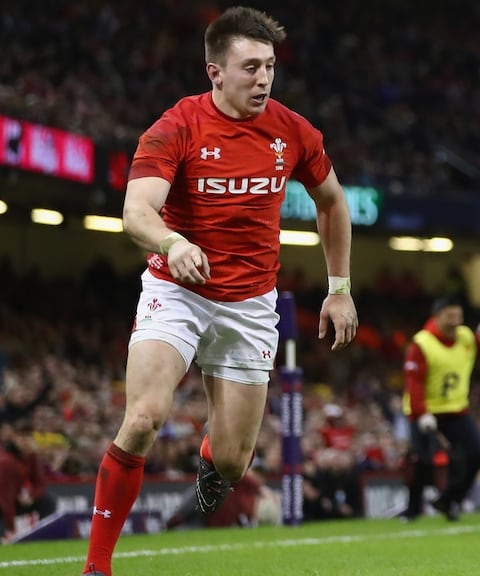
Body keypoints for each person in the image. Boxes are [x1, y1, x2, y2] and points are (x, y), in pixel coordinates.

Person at [83, 7, 358, 575]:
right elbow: (136, 211)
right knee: (143, 418)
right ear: (215, 72)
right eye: (250, 67)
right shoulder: (176, 127)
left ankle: (213, 456)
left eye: (270, 67)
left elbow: (332, 201)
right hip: (177, 289)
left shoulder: (292, 130)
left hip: (251, 303)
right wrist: (172, 242)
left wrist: (340, 288)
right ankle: (96, 566)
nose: (264, 79)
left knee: (233, 463)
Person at [399, 296, 480, 521]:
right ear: (437, 317)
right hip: (426, 411)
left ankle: (449, 500)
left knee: (477, 453)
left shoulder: (466, 337)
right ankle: (412, 509)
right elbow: (414, 382)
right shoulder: (422, 343)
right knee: (423, 460)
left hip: (456, 410)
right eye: (450, 317)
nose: (455, 321)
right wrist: (422, 413)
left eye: (458, 316)